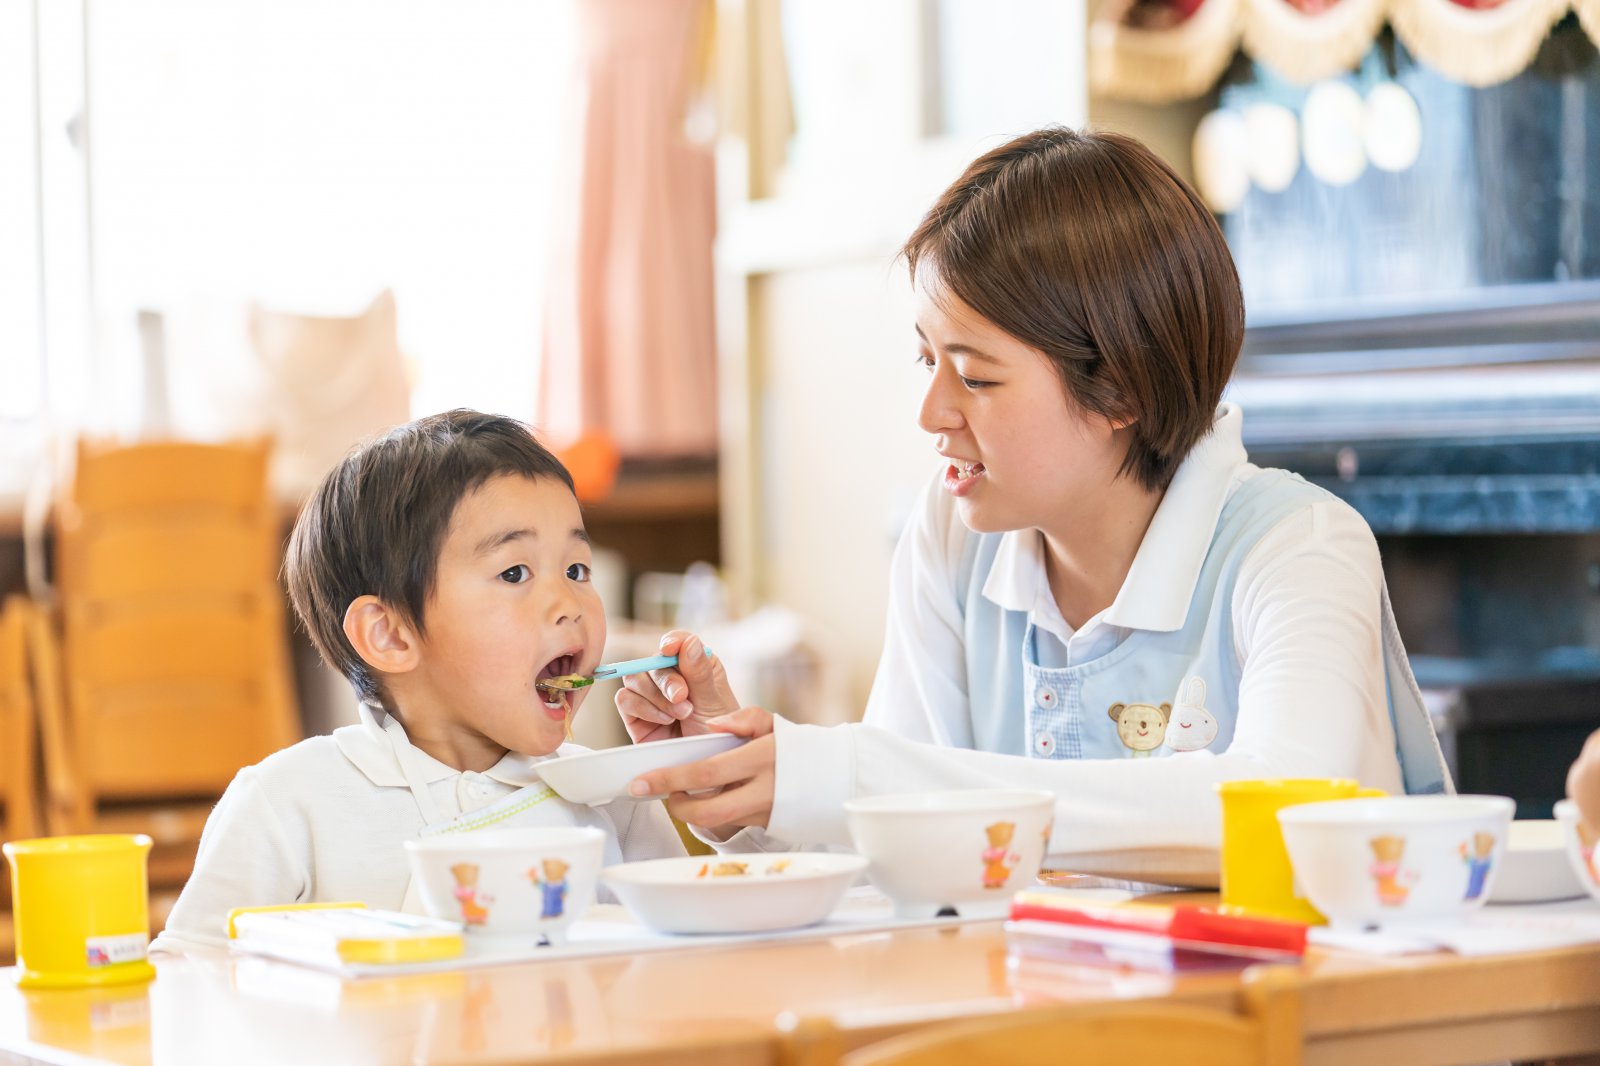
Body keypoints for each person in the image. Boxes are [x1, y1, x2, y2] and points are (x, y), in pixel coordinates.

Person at [616, 127, 1450, 884]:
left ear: (1121, 385)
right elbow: (890, 848)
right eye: (927, 361)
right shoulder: (951, 536)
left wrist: (850, 776)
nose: (932, 412)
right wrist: (748, 779)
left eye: (976, 376)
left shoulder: (1299, 547)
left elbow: (1291, 809)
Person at [153, 409, 683, 951]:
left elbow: (694, 958)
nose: (569, 604)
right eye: (514, 573)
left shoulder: (614, 795)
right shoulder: (289, 803)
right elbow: (188, 978)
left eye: (577, 570)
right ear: (391, 635)